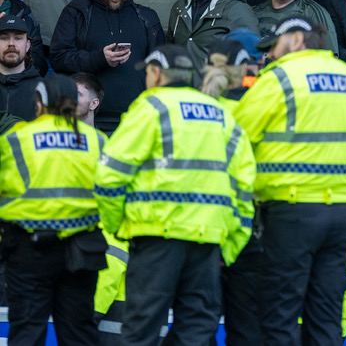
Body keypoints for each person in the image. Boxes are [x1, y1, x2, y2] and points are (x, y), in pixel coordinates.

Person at [94, 43, 256, 346]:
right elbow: (243, 187)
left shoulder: (150, 108)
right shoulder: (221, 115)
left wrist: (117, 226)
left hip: (156, 237)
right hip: (208, 240)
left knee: (142, 327)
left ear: (156, 74)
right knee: (196, 328)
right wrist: (230, 245)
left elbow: (110, 176)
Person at [233, 17, 346, 346]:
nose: (270, 56)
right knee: (325, 315)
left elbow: (235, 136)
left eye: (273, 47)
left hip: (290, 213)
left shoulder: (279, 78)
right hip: (340, 213)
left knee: (280, 315)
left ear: (293, 41)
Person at [0, 71, 106, 346]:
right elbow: (113, 195)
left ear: (38, 104)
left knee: (26, 330)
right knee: (79, 332)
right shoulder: (99, 141)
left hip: (29, 248)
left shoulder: (16, 139)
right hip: (83, 249)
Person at [49, 0, 165, 133]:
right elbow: (59, 58)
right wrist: (99, 59)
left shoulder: (147, 18)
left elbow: (161, 71)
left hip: (136, 123)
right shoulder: (76, 12)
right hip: (85, 122)